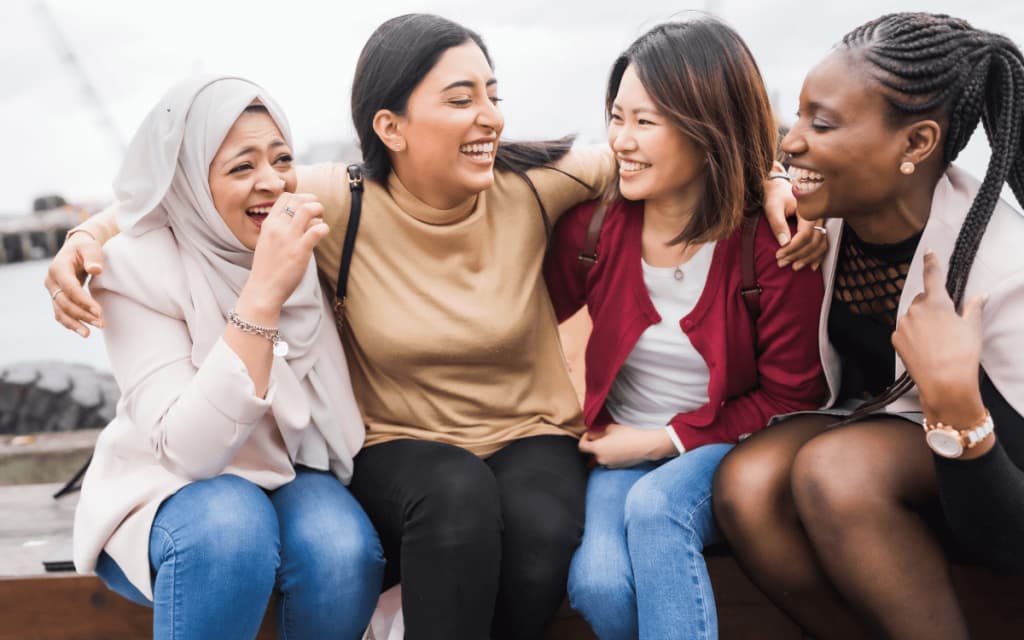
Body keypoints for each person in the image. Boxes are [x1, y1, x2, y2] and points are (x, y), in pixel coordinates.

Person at [45, 14, 821, 639]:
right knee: (455, 504)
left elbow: (685, 146)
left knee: (543, 537)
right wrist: (82, 241)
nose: (490, 116)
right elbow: (186, 189)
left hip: (531, 432)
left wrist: (776, 178)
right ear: (390, 125)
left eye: (492, 92)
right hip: (397, 442)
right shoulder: (338, 196)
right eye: (460, 99)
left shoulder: (534, 182)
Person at [712, 13, 1024, 640]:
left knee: (836, 470)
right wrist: (778, 184)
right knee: (748, 485)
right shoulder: (831, 213)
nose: (791, 141)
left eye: (820, 124)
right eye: (797, 117)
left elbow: (1011, 541)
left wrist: (956, 400)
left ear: (915, 145)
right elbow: (767, 171)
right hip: (884, 420)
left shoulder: (1004, 271)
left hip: (990, 470)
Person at [67, 76, 384, 639]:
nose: (271, 182)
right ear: (188, 180)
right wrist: (263, 293)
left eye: (282, 158)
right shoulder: (132, 269)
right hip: (166, 490)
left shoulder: (294, 229)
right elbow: (190, 454)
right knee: (232, 527)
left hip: (285, 469)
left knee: (344, 552)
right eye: (241, 168)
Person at [543, 19, 827, 640]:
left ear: (708, 133)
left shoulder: (776, 245)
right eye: (616, 117)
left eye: (645, 122)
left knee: (657, 509)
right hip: (616, 455)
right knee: (596, 583)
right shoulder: (585, 237)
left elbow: (791, 399)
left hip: (731, 445)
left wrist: (657, 443)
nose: (621, 139)